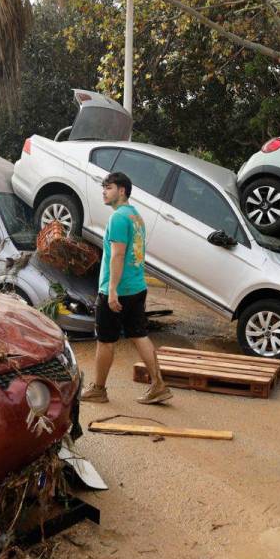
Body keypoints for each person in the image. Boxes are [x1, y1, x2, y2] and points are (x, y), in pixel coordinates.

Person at [80, 171, 172, 405]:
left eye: (108, 187)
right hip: (136, 287)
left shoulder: (119, 218)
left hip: (118, 291)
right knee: (139, 335)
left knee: (105, 340)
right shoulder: (136, 217)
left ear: (122, 191)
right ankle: (159, 385)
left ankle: (99, 389)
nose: (104, 191)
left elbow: (118, 255)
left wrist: (111, 290)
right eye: (104, 187)